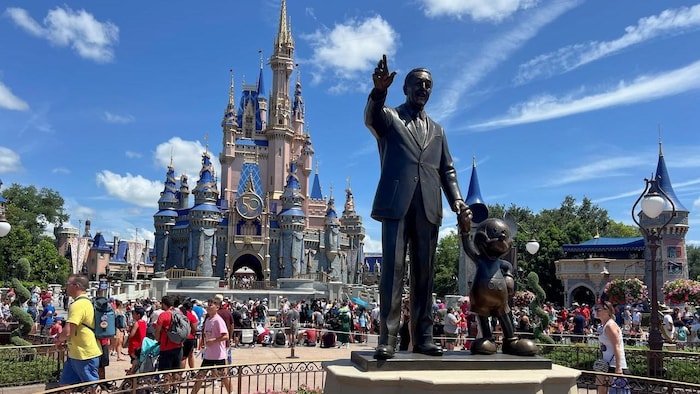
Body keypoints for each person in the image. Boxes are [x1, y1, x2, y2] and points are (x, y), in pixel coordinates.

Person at [365, 54, 471, 360]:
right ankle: (388, 337)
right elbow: (371, 118)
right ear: (406, 88)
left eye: (428, 85)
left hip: (428, 207)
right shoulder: (390, 118)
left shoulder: (438, 130)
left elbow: (446, 170)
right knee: (393, 271)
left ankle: (424, 336)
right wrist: (378, 91)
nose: (423, 89)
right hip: (396, 205)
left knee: (426, 274)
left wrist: (458, 202)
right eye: (418, 84)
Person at [54, 274, 102, 388]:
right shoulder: (85, 302)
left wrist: (58, 340)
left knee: (93, 387)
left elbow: (68, 330)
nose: (65, 287)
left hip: (84, 354)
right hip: (76, 353)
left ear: (76, 286)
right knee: (65, 385)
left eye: (68, 284)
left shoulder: (78, 305)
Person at [191, 298, 232, 394]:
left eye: (211, 305)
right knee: (200, 376)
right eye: (208, 305)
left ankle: (231, 392)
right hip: (208, 355)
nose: (208, 307)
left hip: (218, 355)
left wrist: (214, 340)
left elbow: (226, 336)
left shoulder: (218, 320)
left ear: (217, 307)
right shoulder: (208, 320)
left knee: (224, 377)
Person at [595, 301, 629, 394]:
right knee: (601, 388)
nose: (596, 311)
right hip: (605, 363)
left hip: (613, 364)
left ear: (607, 311)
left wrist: (618, 368)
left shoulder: (610, 326)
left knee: (609, 389)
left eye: (598, 309)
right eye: (595, 309)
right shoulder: (604, 325)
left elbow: (617, 346)